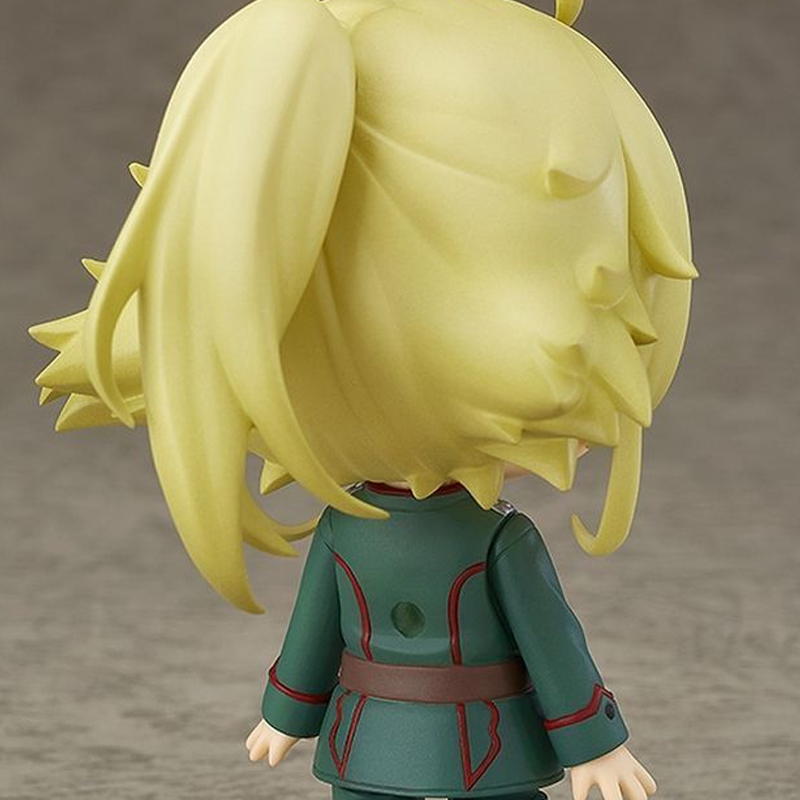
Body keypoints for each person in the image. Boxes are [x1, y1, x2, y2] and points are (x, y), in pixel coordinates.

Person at [30, 0, 696, 797]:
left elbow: (553, 647)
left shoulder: (494, 542)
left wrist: (594, 745)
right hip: (373, 745)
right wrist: (287, 712)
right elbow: (315, 632)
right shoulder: (364, 532)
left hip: (481, 751)